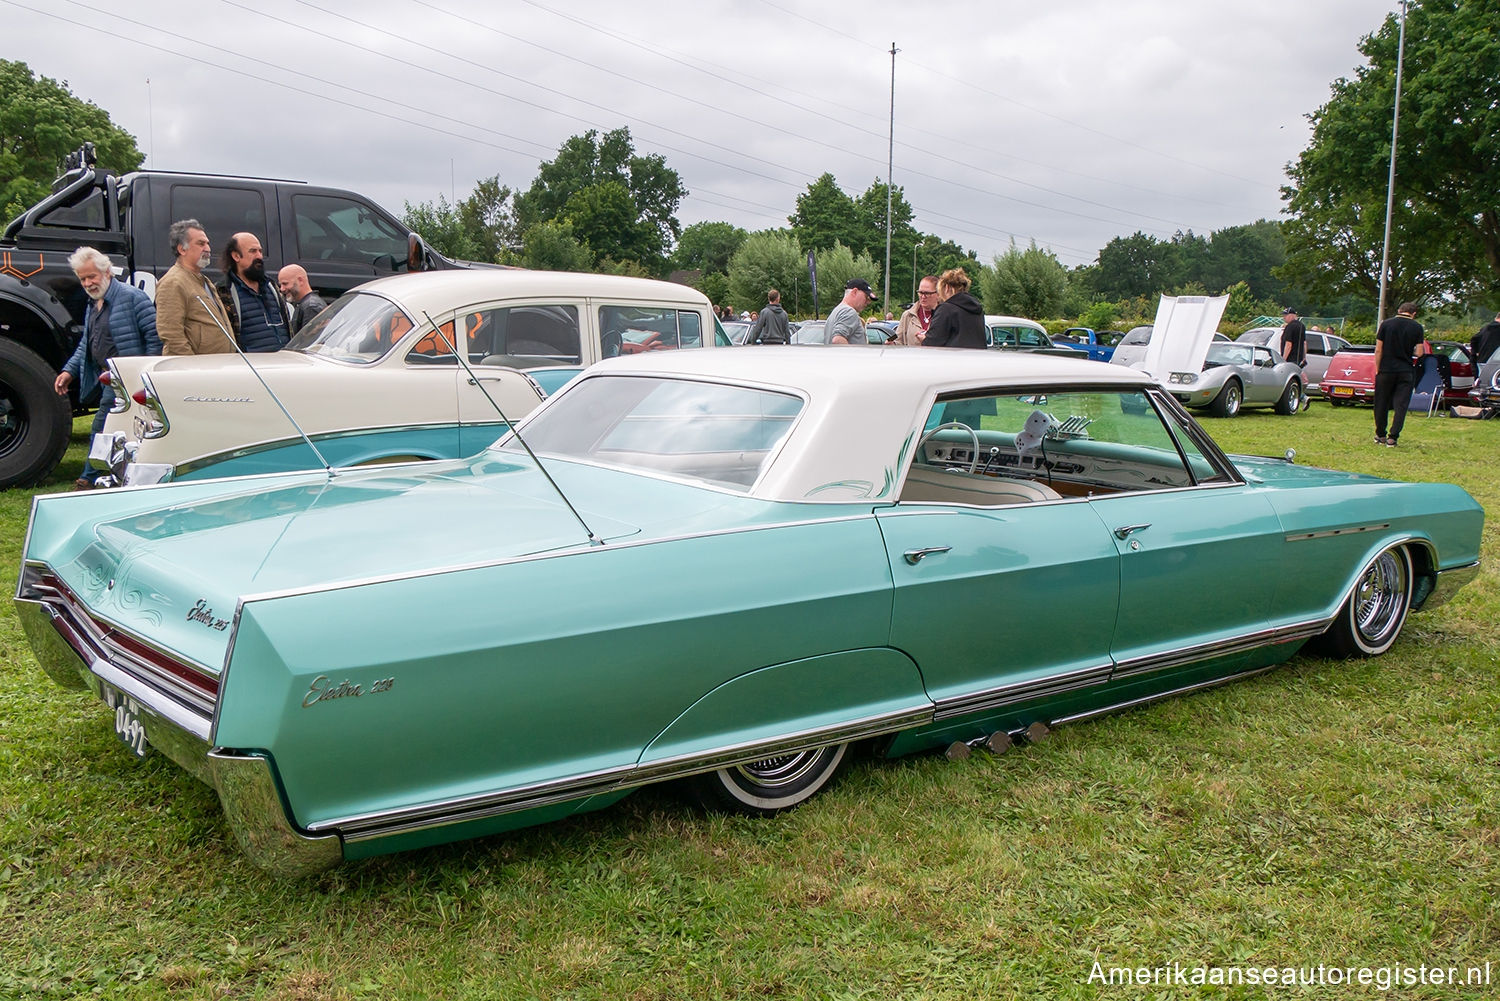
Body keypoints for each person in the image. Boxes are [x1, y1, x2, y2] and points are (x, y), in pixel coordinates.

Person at [54, 247, 162, 489]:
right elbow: (88, 343)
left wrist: (145, 377)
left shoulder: (133, 297)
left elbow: (155, 339)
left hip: (131, 381)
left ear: (107, 272)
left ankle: (90, 478)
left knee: (104, 429)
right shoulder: (93, 304)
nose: (88, 283)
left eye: (91, 276)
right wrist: (69, 371)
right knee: (108, 430)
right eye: (82, 279)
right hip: (111, 380)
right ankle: (97, 478)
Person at [155, 219, 236, 355]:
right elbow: (170, 333)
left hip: (216, 366)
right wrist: (191, 367)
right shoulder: (173, 282)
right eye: (201, 244)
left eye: (207, 244)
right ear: (182, 249)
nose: (208, 249)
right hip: (195, 370)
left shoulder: (205, 281)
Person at [218, 233, 291, 351]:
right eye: (252, 251)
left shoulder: (271, 286)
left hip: (282, 362)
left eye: (260, 251)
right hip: (251, 365)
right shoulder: (225, 292)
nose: (259, 256)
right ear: (236, 256)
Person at [1373, 301, 1430, 447]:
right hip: (1405, 370)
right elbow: (1419, 352)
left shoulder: (1386, 324)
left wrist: (1378, 368)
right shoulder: (1417, 327)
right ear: (1413, 313)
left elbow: (1379, 349)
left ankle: (1380, 434)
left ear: (1399, 310)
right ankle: (1393, 437)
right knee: (1401, 405)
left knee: (1381, 403)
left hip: (1386, 369)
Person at [923, 268, 986, 348]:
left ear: (947, 288)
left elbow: (932, 342)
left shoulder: (945, 309)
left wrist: (924, 339)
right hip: (978, 358)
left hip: (954, 358)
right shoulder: (978, 310)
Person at [277, 264, 328, 336]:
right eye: (280, 285)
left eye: (285, 284)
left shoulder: (311, 307)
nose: (282, 289)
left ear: (300, 280)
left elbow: (308, 341)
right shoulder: (306, 305)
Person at [825, 278, 874, 345]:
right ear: (854, 292)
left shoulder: (836, 311)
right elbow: (837, 339)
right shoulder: (849, 312)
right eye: (866, 297)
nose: (868, 302)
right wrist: (852, 354)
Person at [895, 275, 938, 346]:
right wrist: (892, 342)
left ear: (938, 294)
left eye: (927, 293)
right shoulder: (907, 315)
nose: (923, 297)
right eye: (920, 293)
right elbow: (897, 337)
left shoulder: (944, 315)